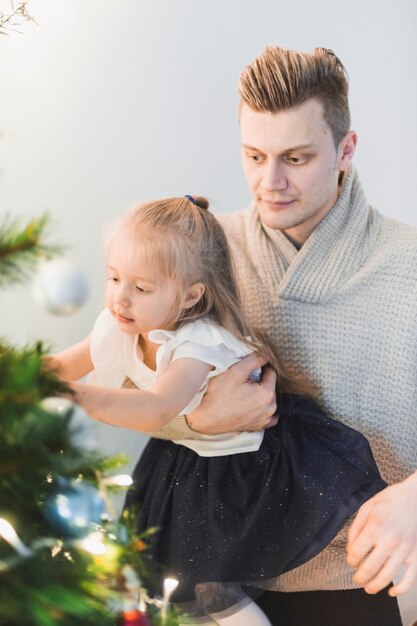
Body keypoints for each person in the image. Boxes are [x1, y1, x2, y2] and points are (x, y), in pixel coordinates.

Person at [50, 195, 385, 626]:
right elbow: (60, 364)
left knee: (214, 588)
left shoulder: (197, 344)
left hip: (247, 468)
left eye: (141, 287)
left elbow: (156, 408)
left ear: (191, 296)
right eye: (114, 278)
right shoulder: (120, 323)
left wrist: (73, 395)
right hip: (190, 456)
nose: (120, 298)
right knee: (162, 581)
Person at [168, 46, 417, 625]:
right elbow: (130, 378)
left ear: (345, 150)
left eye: (297, 158)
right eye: (253, 156)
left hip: (369, 576)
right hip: (225, 578)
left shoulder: (410, 263)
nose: (269, 182)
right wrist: (198, 419)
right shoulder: (203, 251)